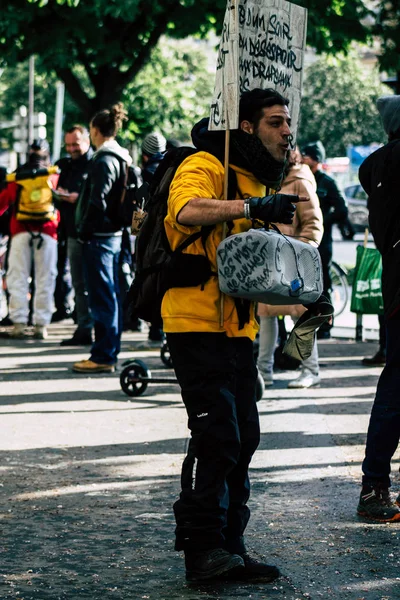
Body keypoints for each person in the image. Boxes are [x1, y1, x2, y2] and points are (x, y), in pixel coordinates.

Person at [163, 88, 306, 582]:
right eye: (275, 122)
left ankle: (232, 546)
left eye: (288, 122)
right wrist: (250, 206)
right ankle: (201, 551)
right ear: (246, 126)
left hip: (237, 327)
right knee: (217, 435)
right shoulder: (206, 163)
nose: (286, 130)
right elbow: (185, 212)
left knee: (244, 438)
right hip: (194, 322)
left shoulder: (256, 174)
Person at [356, 95, 400, 522]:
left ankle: (376, 483)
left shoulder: (375, 165)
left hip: (397, 287)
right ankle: (374, 485)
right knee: (397, 384)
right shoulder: (391, 162)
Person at [257, 147, 323, 388]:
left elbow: (314, 223)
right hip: (270, 259)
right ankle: (263, 371)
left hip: (293, 258)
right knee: (266, 315)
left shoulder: (299, 180)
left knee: (300, 315)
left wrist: (301, 253)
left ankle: (310, 370)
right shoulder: (271, 178)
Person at [72, 103, 131, 374]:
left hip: (100, 238)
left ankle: (103, 355)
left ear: (95, 131)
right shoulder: (121, 157)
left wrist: (84, 230)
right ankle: (107, 351)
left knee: (102, 298)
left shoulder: (105, 160)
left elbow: (98, 201)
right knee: (110, 296)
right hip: (113, 236)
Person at [0, 139, 59, 339]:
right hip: (48, 231)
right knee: (46, 277)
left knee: (17, 276)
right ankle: (41, 325)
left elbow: (4, 201)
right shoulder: (53, 175)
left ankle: (18, 323)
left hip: (20, 230)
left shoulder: (18, 176)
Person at [301, 140, 348, 339]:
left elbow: (342, 209)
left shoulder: (327, 182)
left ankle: (326, 326)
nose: (304, 158)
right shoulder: (301, 179)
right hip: (305, 240)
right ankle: (310, 321)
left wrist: (322, 221)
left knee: (324, 283)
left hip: (323, 242)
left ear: (316, 160)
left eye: (308, 156)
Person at [55, 125, 94, 346]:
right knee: (79, 283)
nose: (72, 149)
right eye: (68, 145)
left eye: (75, 144)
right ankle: (84, 327)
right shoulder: (64, 165)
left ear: (86, 141)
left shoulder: (95, 163)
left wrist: (78, 198)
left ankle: (94, 327)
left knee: (94, 284)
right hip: (71, 230)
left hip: (93, 233)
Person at [135, 131, 168, 349]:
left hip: (151, 235)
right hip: (169, 234)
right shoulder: (172, 170)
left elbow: (140, 207)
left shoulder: (146, 174)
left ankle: (155, 331)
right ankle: (162, 330)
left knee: (150, 281)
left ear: (145, 155)